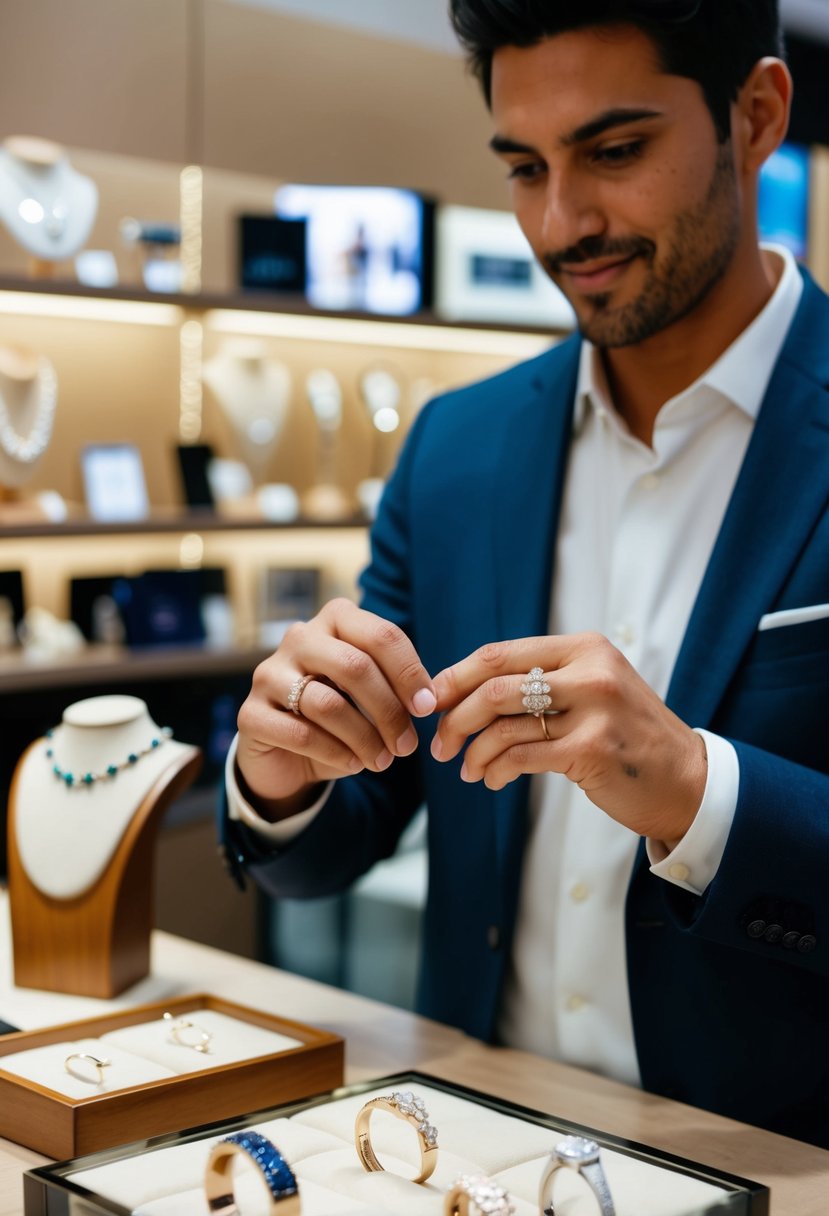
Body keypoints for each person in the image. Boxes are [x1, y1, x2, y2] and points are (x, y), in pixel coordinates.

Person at [222, 0, 829, 1147]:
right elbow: (347, 825)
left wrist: (698, 788)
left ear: (754, 116)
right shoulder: (455, 448)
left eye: (613, 151)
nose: (561, 223)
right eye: (522, 166)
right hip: (460, 1148)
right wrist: (283, 766)